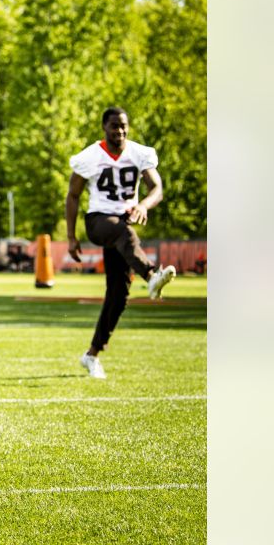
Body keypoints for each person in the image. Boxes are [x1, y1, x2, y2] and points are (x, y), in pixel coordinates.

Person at [66, 107, 176, 379]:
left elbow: (157, 188)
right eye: (115, 126)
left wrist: (144, 205)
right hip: (98, 222)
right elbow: (73, 195)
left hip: (122, 228)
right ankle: (151, 274)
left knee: (118, 295)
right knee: (122, 231)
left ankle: (92, 355)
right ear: (104, 127)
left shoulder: (139, 154)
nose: (120, 131)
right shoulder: (91, 157)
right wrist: (71, 236)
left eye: (124, 126)